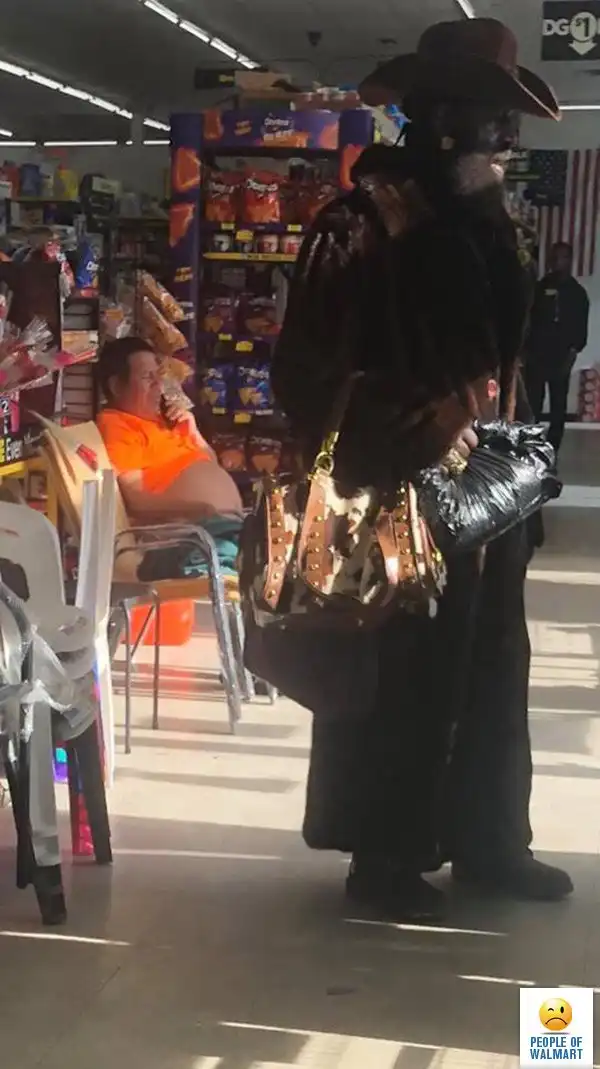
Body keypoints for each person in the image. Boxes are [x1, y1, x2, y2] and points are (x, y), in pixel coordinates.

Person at [268, 18, 572, 920]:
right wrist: (417, 428)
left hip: (487, 498)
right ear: (441, 117)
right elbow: (303, 373)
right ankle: (386, 853)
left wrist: (501, 452)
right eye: (493, 116)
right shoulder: (359, 225)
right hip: (396, 489)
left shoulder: (490, 226)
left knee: (492, 667)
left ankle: (490, 840)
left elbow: (503, 354)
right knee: (402, 676)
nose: (508, 137)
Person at [95, 336, 242, 522]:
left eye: (158, 375)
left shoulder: (168, 420)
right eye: (147, 377)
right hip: (194, 531)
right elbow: (135, 502)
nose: (158, 385)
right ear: (116, 386)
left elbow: (212, 464)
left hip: (225, 524)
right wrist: (198, 509)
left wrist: (193, 432)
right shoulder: (116, 425)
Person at [525, 242, 590, 455]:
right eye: (553, 257)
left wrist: (571, 355)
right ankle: (530, 445)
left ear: (570, 260)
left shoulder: (577, 293)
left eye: (562, 257)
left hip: (561, 357)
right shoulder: (539, 288)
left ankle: (553, 448)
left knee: (558, 406)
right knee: (533, 405)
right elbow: (529, 320)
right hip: (536, 355)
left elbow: (580, 329)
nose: (556, 262)